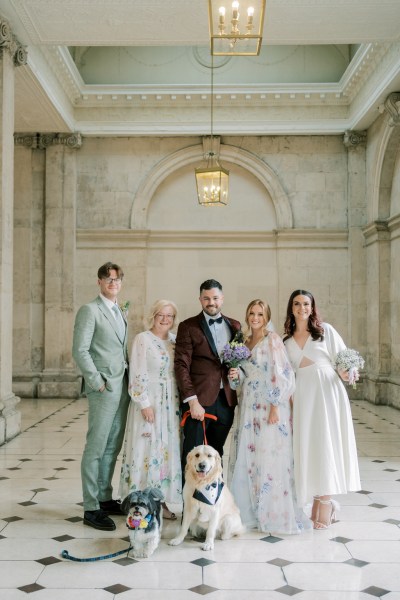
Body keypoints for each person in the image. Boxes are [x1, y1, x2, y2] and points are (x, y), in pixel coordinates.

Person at [228, 299, 309, 534]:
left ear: (267, 318)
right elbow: (242, 377)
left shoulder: (272, 339)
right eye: (252, 313)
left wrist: (275, 405)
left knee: (269, 453)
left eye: (260, 315)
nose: (255, 318)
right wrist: (235, 375)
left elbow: (282, 372)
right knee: (249, 453)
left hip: (270, 404)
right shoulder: (242, 341)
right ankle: (249, 510)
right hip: (249, 405)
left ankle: (272, 512)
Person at [283, 289, 361, 529]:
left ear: (312, 307)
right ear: (291, 308)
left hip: (328, 394)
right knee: (311, 448)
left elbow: (345, 362)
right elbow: (286, 376)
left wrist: (349, 373)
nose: (302, 308)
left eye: (306, 304)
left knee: (327, 444)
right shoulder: (285, 341)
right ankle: (318, 500)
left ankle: (326, 503)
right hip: (303, 398)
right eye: (297, 304)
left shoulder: (325, 331)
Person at [72, 261, 130, 531]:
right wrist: (96, 382)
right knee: (96, 446)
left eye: (117, 279)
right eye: (108, 279)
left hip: (122, 387)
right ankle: (91, 506)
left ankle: (105, 497)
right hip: (104, 387)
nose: (112, 283)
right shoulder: (90, 310)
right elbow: (80, 350)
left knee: (112, 445)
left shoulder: (120, 309)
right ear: (99, 282)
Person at [118, 300, 182, 520]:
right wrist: (144, 403)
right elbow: (137, 372)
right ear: (153, 316)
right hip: (150, 400)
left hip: (170, 402)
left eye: (170, 316)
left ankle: (160, 501)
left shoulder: (175, 341)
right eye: (160, 315)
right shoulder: (142, 340)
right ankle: (140, 501)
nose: (165, 320)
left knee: (165, 449)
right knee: (147, 447)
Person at [174, 279, 241, 469]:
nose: (211, 302)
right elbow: (181, 365)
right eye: (206, 298)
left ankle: (213, 498)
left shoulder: (235, 326)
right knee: (193, 455)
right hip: (199, 401)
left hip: (226, 401)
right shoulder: (188, 326)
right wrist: (192, 401)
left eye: (215, 298)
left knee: (215, 454)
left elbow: (238, 360)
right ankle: (189, 499)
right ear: (200, 300)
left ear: (222, 299)